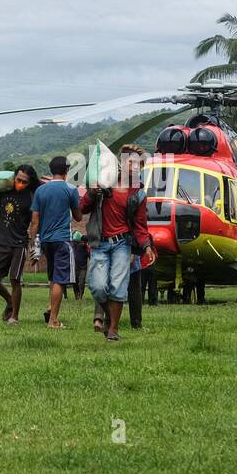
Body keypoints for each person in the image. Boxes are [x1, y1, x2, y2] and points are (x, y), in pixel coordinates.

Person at [82, 145, 154, 341]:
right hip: (100, 243)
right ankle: (109, 318)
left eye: (139, 164)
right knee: (97, 287)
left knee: (118, 287)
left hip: (123, 243)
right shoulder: (104, 185)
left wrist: (146, 246)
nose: (135, 167)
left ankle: (113, 329)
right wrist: (91, 192)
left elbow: (140, 225)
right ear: (121, 163)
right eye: (131, 162)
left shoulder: (138, 194)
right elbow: (82, 208)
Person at [0, 164, 39, 324]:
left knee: (15, 280)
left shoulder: (32, 197)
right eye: (18, 180)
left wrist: (34, 244)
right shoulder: (5, 190)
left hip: (19, 243)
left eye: (24, 181)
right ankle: (10, 302)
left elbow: (35, 222)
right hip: (2, 242)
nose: (20, 183)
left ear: (30, 182)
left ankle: (14, 317)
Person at [30, 155, 83, 328]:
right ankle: (53, 320)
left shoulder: (40, 191)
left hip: (46, 241)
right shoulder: (70, 189)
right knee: (60, 279)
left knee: (53, 277)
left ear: (52, 170)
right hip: (63, 240)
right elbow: (78, 216)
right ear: (67, 170)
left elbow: (35, 221)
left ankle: (49, 307)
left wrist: (33, 243)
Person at [71, 231, 89, 301]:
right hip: (75, 267)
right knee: (75, 282)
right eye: (83, 242)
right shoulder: (75, 245)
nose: (84, 243)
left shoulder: (87, 248)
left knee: (82, 282)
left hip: (83, 268)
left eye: (86, 242)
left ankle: (80, 296)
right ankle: (76, 294)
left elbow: (90, 256)